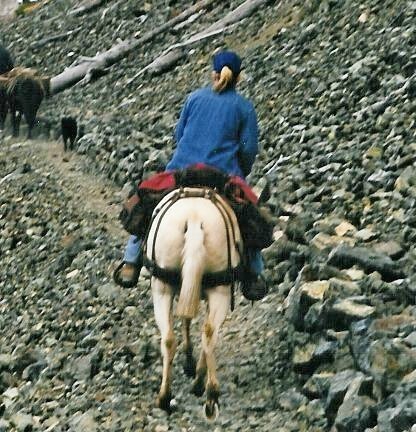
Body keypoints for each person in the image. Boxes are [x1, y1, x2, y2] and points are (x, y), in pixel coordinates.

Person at [115, 50, 267, 300]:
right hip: (223, 174)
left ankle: (131, 261)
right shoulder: (244, 108)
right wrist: (241, 170)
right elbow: (249, 148)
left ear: (213, 73)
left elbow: (179, 136)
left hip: (183, 170)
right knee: (250, 214)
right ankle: (253, 273)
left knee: (147, 200)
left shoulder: (194, 98)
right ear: (239, 78)